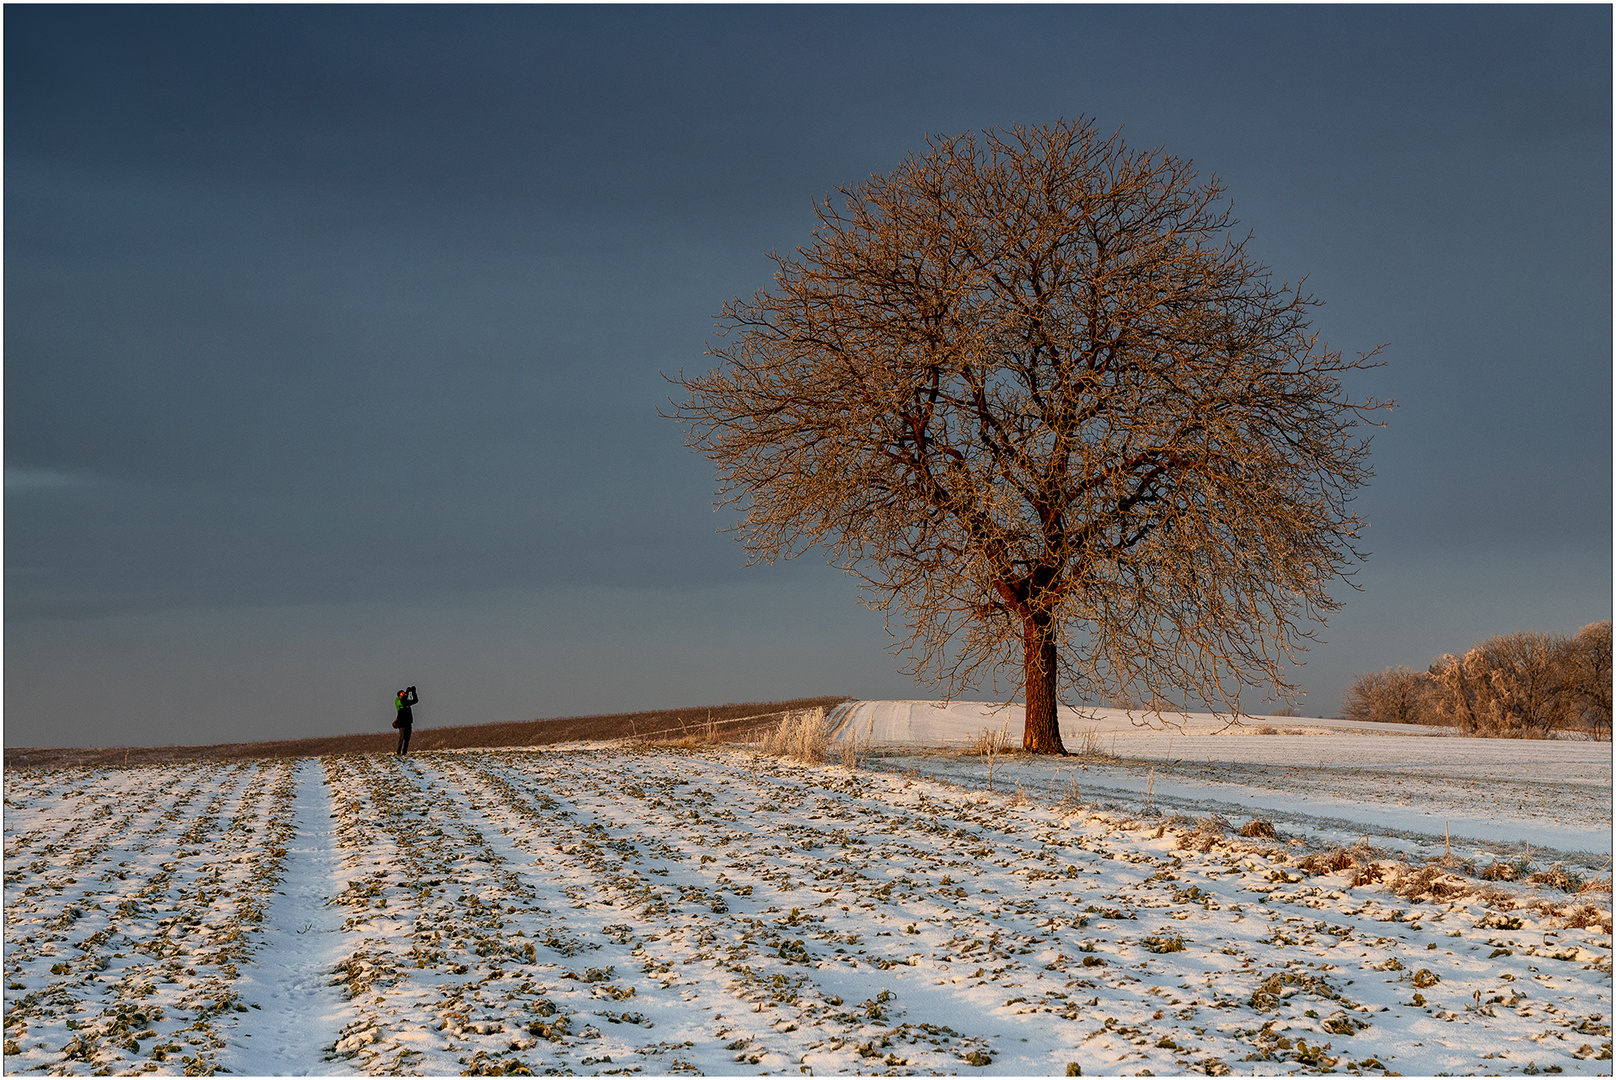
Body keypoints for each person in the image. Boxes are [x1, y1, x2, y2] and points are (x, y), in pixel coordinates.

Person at [392, 685, 419, 755]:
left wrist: (413, 692)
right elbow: (403, 702)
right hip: (402, 722)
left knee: (407, 739)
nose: (404, 694)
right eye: (402, 693)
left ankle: (404, 753)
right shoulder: (397, 700)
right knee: (401, 738)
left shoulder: (406, 700)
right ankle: (398, 752)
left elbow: (416, 700)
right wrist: (407, 692)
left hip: (408, 722)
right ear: (399, 695)